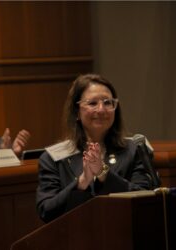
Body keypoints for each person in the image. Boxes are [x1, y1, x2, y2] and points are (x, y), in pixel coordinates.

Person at [36, 73, 153, 223]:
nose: (101, 109)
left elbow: (145, 200)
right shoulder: (52, 158)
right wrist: (81, 182)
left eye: (107, 103)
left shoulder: (135, 150)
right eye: (92, 103)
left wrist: (103, 173)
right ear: (77, 111)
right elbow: (46, 211)